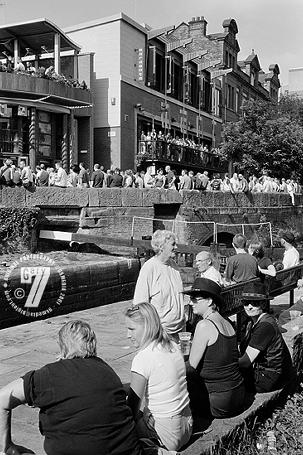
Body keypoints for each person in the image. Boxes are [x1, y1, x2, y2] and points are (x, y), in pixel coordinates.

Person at [0, 320, 142, 455]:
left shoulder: (49, 374)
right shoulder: (108, 372)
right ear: (92, 344)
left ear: (62, 345)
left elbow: (3, 398)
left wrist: (7, 446)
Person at [126, 303, 192, 454]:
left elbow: (132, 408)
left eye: (131, 329)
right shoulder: (174, 346)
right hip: (186, 427)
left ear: (147, 327)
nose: (127, 335)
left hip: (165, 436)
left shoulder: (142, 358)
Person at [184, 278, 246, 419]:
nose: (190, 302)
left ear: (210, 301)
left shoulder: (204, 325)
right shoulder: (227, 322)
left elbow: (191, 366)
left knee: (180, 377)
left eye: (195, 299)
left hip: (219, 401)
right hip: (237, 394)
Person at [239, 282, 294, 393]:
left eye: (254, 303)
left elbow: (245, 362)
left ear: (263, 304)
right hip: (265, 371)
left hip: (269, 377)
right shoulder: (253, 322)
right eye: (246, 302)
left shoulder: (264, 326)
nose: (249, 307)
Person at [133, 230, 185, 337]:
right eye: (173, 244)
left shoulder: (174, 265)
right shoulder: (149, 268)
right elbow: (140, 304)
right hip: (161, 332)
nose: (176, 247)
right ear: (161, 246)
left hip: (180, 330)